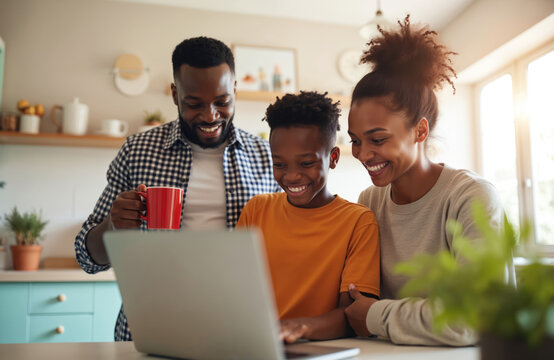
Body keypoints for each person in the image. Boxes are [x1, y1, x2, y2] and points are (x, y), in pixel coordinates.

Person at [74, 37, 280, 341]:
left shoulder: (267, 156)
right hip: (151, 325)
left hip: (239, 326)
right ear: (175, 95)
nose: (210, 115)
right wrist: (112, 226)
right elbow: (86, 257)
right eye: (194, 104)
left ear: (235, 91)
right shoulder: (137, 150)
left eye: (222, 102)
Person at [344, 16, 506, 346]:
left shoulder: (472, 198)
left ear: (420, 131)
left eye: (377, 139)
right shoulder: (369, 203)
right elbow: (353, 300)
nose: (362, 154)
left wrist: (376, 316)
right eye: (355, 140)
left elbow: (472, 318)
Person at [236, 91, 380, 343]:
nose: (291, 176)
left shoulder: (358, 221)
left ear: (332, 158)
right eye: (279, 164)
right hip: (255, 344)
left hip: (321, 349)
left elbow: (353, 313)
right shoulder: (256, 210)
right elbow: (234, 290)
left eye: (305, 164)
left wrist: (295, 328)